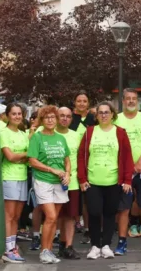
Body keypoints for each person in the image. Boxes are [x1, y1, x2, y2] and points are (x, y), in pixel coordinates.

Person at [78, 102, 134, 260]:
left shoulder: (120, 133)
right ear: (96, 116)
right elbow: (81, 157)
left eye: (106, 112)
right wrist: (82, 179)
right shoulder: (89, 132)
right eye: (100, 113)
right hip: (93, 181)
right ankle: (95, 245)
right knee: (94, 213)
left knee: (110, 214)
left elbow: (127, 158)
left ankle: (106, 245)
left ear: (112, 115)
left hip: (113, 181)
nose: (103, 115)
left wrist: (127, 180)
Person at [113, 89, 141, 255]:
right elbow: (115, 144)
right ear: (123, 101)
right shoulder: (116, 119)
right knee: (123, 208)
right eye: (128, 99)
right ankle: (122, 242)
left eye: (134, 99)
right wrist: (129, 164)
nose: (131, 101)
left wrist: (139, 161)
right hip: (125, 171)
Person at [28, 105, 72, 265]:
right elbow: (32, 160)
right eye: (47, 117)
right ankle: (43, 251)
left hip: (59, 183)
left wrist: (67, 174)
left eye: (53, 117)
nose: (51, 120)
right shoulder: (37, 137)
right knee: (51, 216)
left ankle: (49, 250)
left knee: (54, 219)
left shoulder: (61, 138)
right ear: (42, 120)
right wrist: (52, 170)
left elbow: (67, 159)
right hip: (43, 180)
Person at [0, 103, 31, 263]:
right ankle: (8, 249)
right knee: (9, 215)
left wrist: (23, 157)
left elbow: (29, 159)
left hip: (22, 176)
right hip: (9, 176)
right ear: (7, 115)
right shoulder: (3, 132)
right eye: (14, 114)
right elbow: (10, 157)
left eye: (19, 114)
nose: (17, 116)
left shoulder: (23, 133)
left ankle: (12, 246)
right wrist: (25, 154)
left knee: (17, 216)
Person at [54, 107, 83, 260]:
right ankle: (57, 244)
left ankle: (69, 247)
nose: (65, 119)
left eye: (68, 116)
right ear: (56, 117)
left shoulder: (77, 135)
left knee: (71, 216)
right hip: (53, 182)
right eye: (62, 116)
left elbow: (80, 158)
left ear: (72, 119)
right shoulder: (49, 134)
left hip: (72, 182)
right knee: (56, 216)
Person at [71, 91, 95, 244]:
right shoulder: (69, 119)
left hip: (90, 162)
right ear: (75, 103)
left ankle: (88, 229)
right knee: (71, 199)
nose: (81, 103)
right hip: (72, 163)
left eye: (84, 101)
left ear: (88, 103)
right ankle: (69, 230)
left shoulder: (93, 119)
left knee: (88, 199)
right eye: (79, 101)